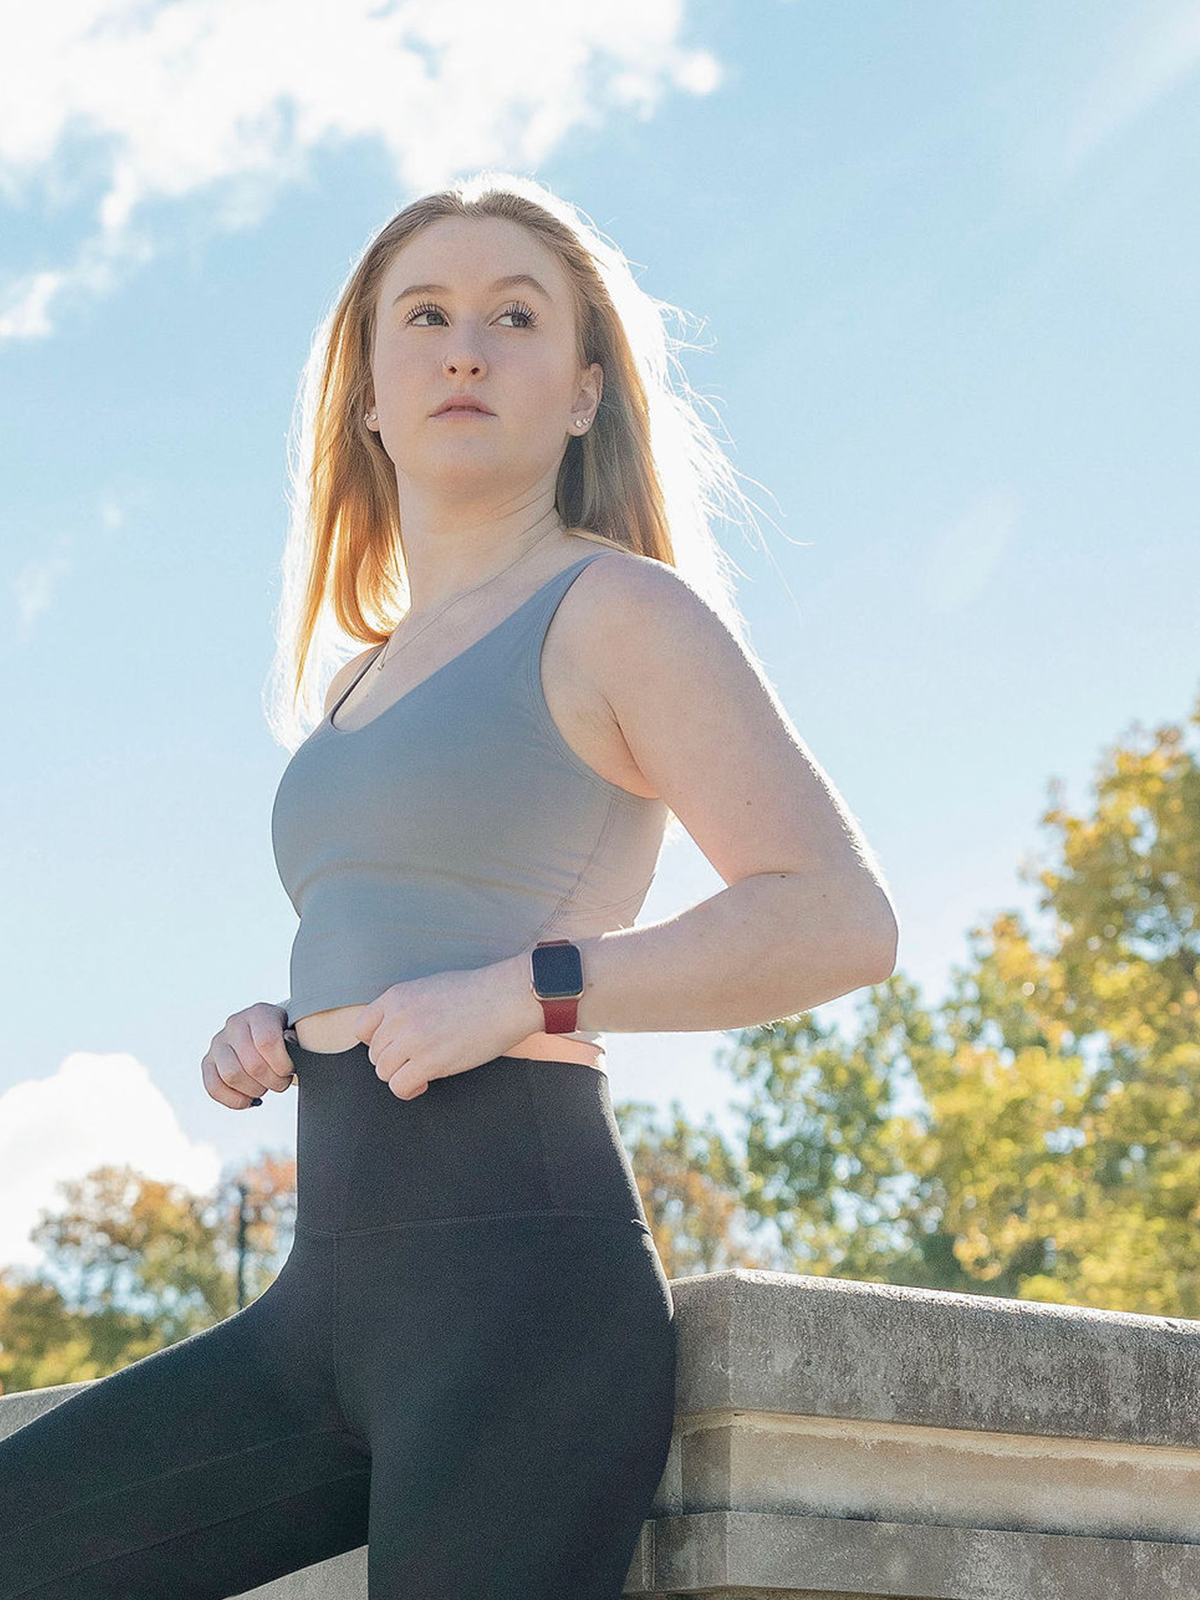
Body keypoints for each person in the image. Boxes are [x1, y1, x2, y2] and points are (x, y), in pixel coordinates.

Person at [0, 173, 898, 1598]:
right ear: (366, 394)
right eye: (423, 316)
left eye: (514, 317)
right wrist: (288, 1025)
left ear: (586, 392)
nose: (465, 348)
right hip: (322, 1303)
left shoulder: (619, 609)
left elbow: (837, 918)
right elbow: (406, 919)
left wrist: (527, 993)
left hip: (523, 1297)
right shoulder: (356, 679)